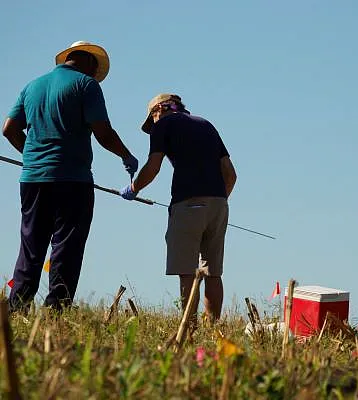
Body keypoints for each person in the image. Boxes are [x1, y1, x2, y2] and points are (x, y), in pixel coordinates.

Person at [2, 41, 138, 312]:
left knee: (31, 243)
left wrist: (31, 155)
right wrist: (126, 155)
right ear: (89, 63)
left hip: (32, 179)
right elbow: (103, 132)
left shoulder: (32, 86)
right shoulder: (86, 85)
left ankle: (17, 308)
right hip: (72, 180)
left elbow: (8, 129)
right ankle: (56, 309)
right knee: (67, 244)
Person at [120, 94, 236, 323]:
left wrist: (134, 188)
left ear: (159, 109)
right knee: (213, 272)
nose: (152, 125)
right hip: (219, 205)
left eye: (152, 118)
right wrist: (217, 201)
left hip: (188, 204)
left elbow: (153, 167)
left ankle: (189, 329)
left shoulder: (164, 124)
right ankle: (213, 329)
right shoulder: (206, 124)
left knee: (187, 272)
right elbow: (230, 173)